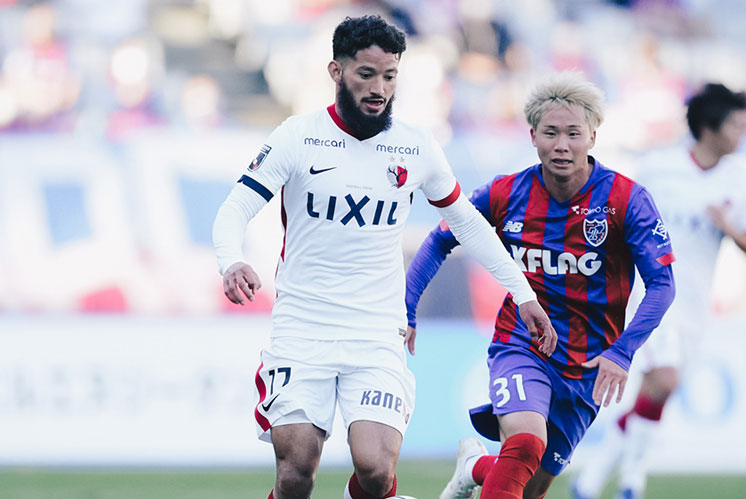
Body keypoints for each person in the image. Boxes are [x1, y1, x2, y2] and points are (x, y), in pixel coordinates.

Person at [212, 15, 556, 499]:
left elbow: (467, 223)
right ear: (336, 72)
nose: (379, 88)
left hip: (376, 331)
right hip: (302, 328)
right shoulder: (297, 136)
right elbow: (235, 209)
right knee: (296, 472)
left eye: (389, 75)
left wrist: (522, 292)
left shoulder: (414, 145)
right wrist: (231, 260)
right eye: (366, 74)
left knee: (374, 470)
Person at [404, 71, 677, 499]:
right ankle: (484, 466)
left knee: (529, 490)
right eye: (551, 133)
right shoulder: (505, 193)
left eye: (573, 133)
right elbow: (439, 240)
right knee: (527, 441)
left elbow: (663, 284)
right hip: (523, 344)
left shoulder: (626, 199)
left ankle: (476, 468)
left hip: (589, 364)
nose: (562, 145)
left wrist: (622, 352)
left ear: (593, 136)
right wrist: (407, 308)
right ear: (532, 135)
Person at [572, 83, 746, 499]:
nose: (744, 132)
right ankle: (631, 480)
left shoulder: (738, 180)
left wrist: (726, 225)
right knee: (666, 379)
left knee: (657, 392)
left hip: (696, 302)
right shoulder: (659, 168)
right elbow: (616, 216)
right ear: (710, 127)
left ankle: (598, 477)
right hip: (650, 293)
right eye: (736, 124)